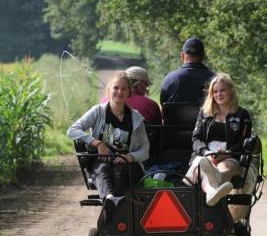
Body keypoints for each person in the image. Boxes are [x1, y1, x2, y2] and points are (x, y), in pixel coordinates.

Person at [68, 71, 150, 212]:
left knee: (119, 169)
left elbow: (145, 149)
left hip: (127, 165)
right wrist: (97, 143)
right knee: (103, 169)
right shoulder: (98, 111)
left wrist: (129, 157)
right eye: (116, 88)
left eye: (124, 89)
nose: (119, 92)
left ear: (129, 92)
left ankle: (112, 209)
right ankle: (111, 199)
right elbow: (72, 130)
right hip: (101, 161)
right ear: (108, 91)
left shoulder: (136, 118)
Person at [186, 73, 252, 206]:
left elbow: (244, 143)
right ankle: (212, 191)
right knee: (201, 166)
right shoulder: (204, 113)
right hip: (205, 155)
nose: (219, 94)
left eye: (223, 90)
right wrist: (206, 152)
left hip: (229, 156)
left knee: (224, 167)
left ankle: (214, 183)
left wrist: (226, 153)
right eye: (215, 91)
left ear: (231, 91)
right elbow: (196, 138)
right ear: (211, 94)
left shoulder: (242, 114)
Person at [160, 37, 214, 105]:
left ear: (182, 55)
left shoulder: (169, 79)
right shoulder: (215, 80)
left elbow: (163, 110)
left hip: (175, 116)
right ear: (203, 56)